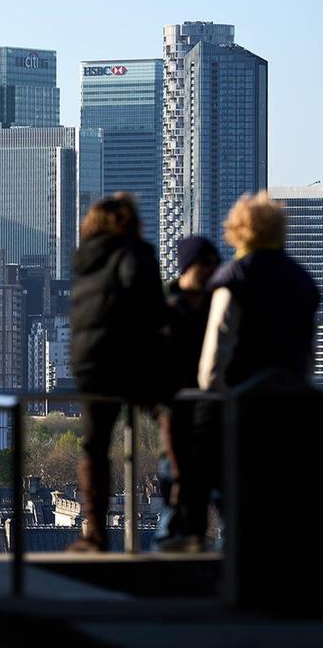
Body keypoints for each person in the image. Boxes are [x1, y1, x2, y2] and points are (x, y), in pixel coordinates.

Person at [188, 192, 320, 546]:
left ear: (238, 230)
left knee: (234, 498)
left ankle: (234, 577)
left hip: (242, 407)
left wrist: (214, 395)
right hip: (292, 406)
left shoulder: (234, 278)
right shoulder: (302, 280)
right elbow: (307, 353)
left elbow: (216, 352)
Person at [68, 193, 172, 552]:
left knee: (94, 445)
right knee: (172, 413)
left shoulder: (85, 259)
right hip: (125, 359)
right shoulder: (134, 252)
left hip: (88, 363)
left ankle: (94, 531)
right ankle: (182, 509)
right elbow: (150, 308)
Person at [154, 236, 220, 551]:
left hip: (212, 414)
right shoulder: (164, 306)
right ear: (189, 266)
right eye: (206, 263)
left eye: (215, 264)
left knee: (211, 492)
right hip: (175, 413)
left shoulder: (217, 304)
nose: (212, 270)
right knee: (175, 490)